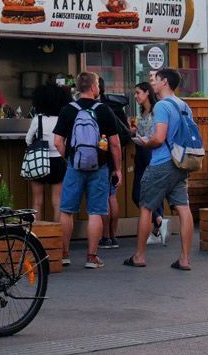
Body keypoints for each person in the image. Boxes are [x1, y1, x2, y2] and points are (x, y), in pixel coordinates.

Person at [125, 68, 194, 271]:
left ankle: (139, 256)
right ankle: (184, 259)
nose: (152, 82)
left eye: (155, 79)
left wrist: (146, 143)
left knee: (146, 207)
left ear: (165, 82)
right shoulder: (184, 105)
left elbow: (159, 138)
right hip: (181, 162)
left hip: (161, 162)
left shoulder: (163, 106)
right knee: (183, 208)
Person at [54, 72, 122, 269]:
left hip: (74, 167)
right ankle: (92, 257)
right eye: (98, 86)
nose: (99, 89)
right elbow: (115, 143)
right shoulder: (104, 110)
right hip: (99, 168)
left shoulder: (68, 110)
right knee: (95, 212)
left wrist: (70, 158)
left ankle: (64, 255)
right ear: (93, 87)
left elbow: (58, 141)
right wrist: (117, 169)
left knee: (67, 211)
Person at [24, 83, 71, 222]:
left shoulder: (37, 119)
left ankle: (37, 237)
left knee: (37, 201)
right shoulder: (63, 118)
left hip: (39, 160)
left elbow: (28, 140)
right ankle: (56, 236)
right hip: (59, 161)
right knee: (57, 202)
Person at [130, 81, 168, 245]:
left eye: (138, 92)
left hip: (151, 153)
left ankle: (158, 222)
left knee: (140, 193)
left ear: (147, 93)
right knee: (148, 192)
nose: (136, 96)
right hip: (142, 152)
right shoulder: (143, 112)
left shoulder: (156, 110)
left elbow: (156, 134)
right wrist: (134, 132)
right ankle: (159, 223)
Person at [97, 77, 120, 250]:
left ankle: (105, 236)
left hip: (98, 157)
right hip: (113, 156)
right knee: (112, 196)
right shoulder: (113, 105)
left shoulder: (93, 107)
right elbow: (118, 139)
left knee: (104, 197)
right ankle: (114, 236)